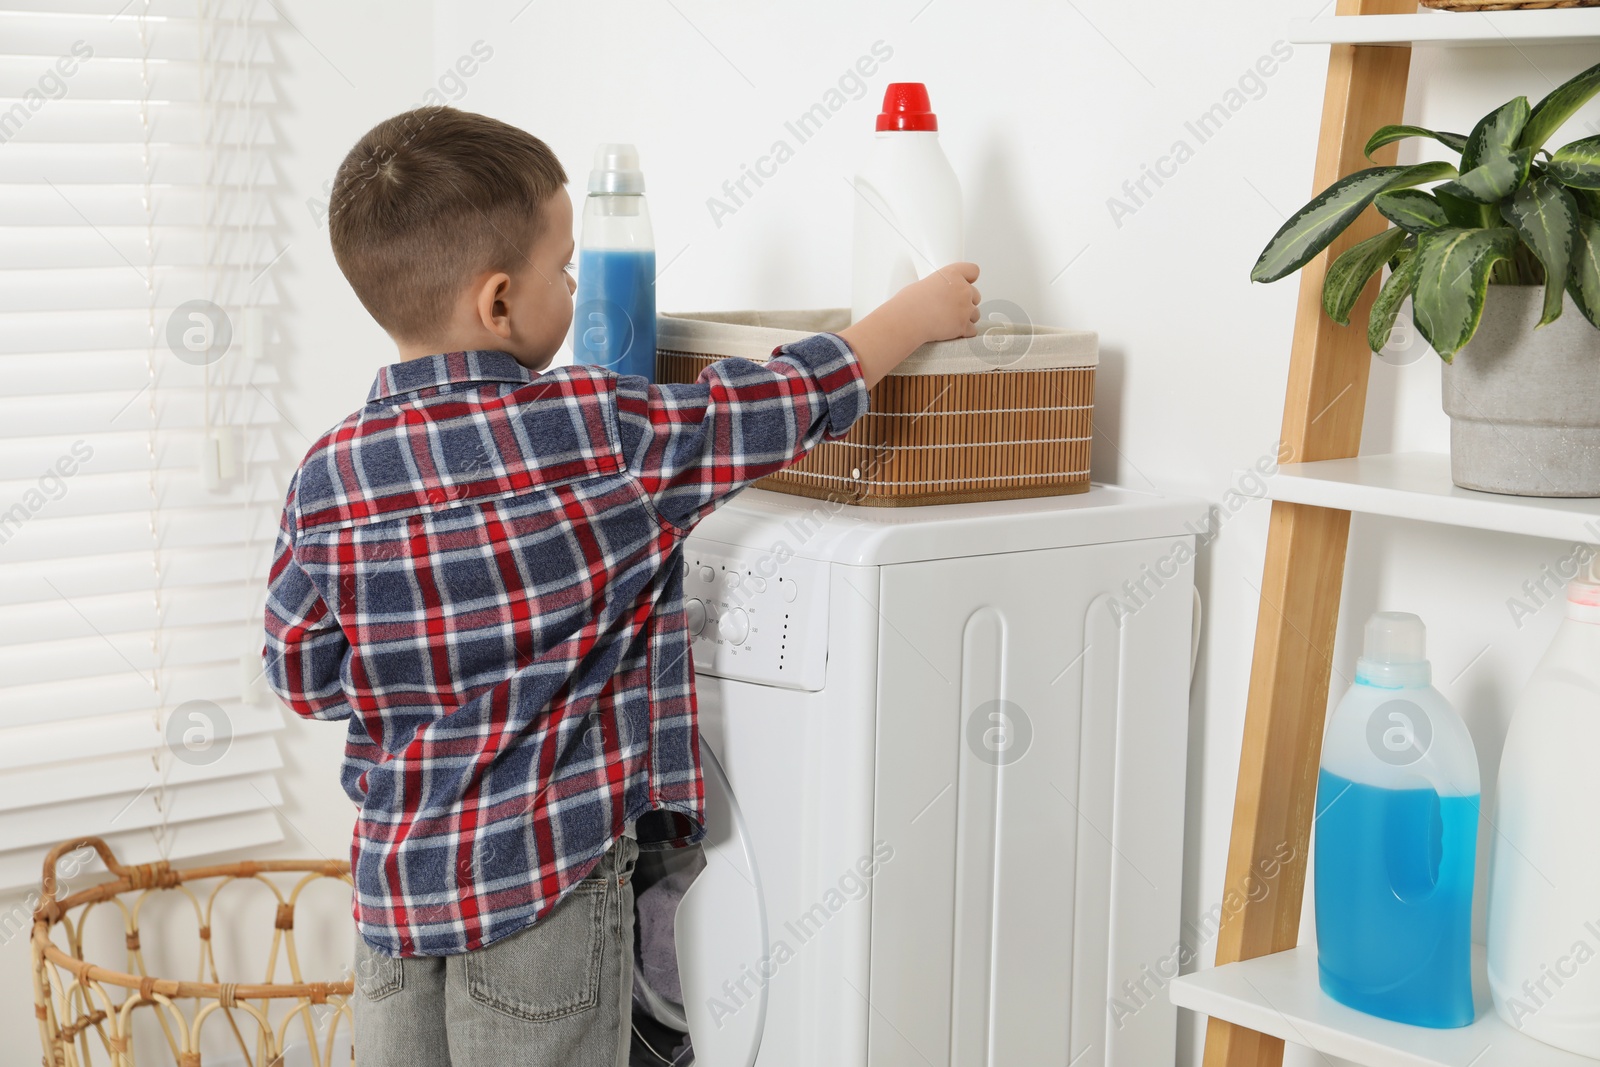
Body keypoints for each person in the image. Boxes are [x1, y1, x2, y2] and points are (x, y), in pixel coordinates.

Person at [263, 106, 980, 1067]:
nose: (576, 284)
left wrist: (426, 658)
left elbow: (305, 676)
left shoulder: (329, 475)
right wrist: (917, 312)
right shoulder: (599, 432)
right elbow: (771, 404)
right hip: (544, 890)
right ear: (500, 302)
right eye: (566, 266)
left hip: (394, 898)